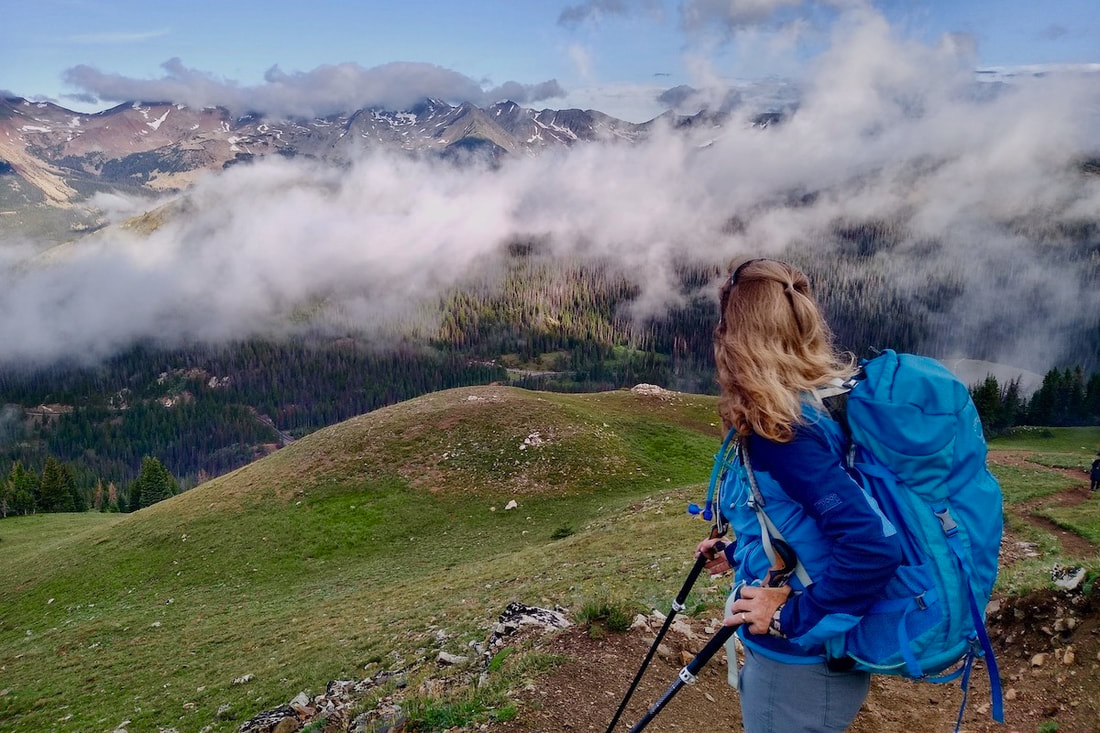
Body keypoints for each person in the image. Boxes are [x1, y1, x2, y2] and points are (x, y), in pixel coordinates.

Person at [695, 258, 903, 733]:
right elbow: (805, 521)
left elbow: (872, 545)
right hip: (811, 666)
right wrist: (737, 552)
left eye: (724, 323)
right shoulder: (817, 403)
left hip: (800, 663)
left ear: (737, 336)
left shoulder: (782, 433)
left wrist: (792, 614)